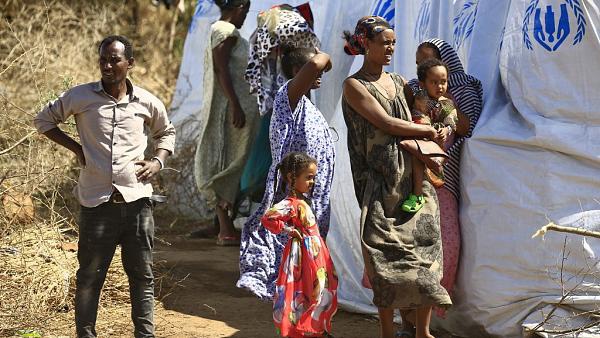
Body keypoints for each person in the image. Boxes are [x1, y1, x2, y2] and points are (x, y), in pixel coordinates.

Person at [33, 35, 175, 338]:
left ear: (130, 64)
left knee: (142, 277)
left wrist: (157, 162)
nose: (107, 65)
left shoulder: (146, 101)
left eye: (114, 60)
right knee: (89, 277)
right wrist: (77, 148)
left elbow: (166, 133)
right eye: (103, 59)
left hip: (137, 203)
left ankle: (144, 335)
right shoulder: (81, 97)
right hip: (97, 204)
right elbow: (44, 120)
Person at [342, 16, 451, 338]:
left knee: (425, 253)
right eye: (384, 42)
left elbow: (423, 111)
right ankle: (389, 332)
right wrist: (425, 130)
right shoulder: (354, 86)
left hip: (414, 182)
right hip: (380, 181)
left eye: (393, 43)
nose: (390, 48)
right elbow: (386, 123)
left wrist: (440, 125)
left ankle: (421, 332)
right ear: (365, 44)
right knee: (384, 258)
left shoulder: (402, 81)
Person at [238, 46, 335, 300]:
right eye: (317, 70)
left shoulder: (305, 105)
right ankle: (294, 311)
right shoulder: (286, 96)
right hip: (295, 197)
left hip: (312, 199)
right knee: (294, 258)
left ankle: (303, 311)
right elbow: (316, 64)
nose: (321, 74)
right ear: (296, 71)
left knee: (308, 262)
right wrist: (326, 58)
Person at [408, 39, 483, 315]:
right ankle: (408, 320)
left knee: (445, 245)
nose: (423, 68)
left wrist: (444, 103)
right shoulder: (414, 95)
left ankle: (429, 313)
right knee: (412, 246)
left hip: (445, 181)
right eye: (419, 65)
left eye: (428, 61)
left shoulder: (463, 90)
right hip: (418, 179)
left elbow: (467, 126)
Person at [193, 0, 259, 246]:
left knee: (232, 161)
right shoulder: (227, 31)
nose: (245, 18)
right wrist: (235, 104)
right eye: (246, 12)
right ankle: (224, 228)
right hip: (234, 113)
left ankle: (223, 225)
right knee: (233, 162)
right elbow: (222, 69)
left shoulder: (218, 29)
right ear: (239, 7)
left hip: (233, 110)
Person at [261, 152, 338, 338]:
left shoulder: (303, 201)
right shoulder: (290, 203)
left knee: (320, 288)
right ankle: (304, 329)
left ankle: (315, 328)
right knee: (305, 290)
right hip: (303, 255)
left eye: (313, 177)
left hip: (316, 253)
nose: (312, 182)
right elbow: (268, 217)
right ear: (291, 177)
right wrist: (288, 231)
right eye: (308, 177)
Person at [400, 58, 458, 213]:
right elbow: (419, 116)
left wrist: (446, 130)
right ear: (422, 84)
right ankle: (417, 194)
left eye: (443, 81)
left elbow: (451, 121)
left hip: (437, 142)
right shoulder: (422, 98)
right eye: (434, 82)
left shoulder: (447, 103)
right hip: (421, 138)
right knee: (418, 157)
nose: (440, 86)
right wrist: (429, 130)